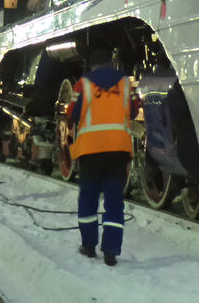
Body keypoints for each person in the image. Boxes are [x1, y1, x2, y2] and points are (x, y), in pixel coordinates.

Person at [68, 48, 138, 267]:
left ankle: (89, 246)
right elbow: (134, 112)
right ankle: (111, 251)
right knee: (114, 202)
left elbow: (73, 113)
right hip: (118, 150)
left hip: (90, 150)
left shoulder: (84, 83)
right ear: (111, 63)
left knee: (88, 198)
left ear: (92, 66)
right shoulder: (125, 83)